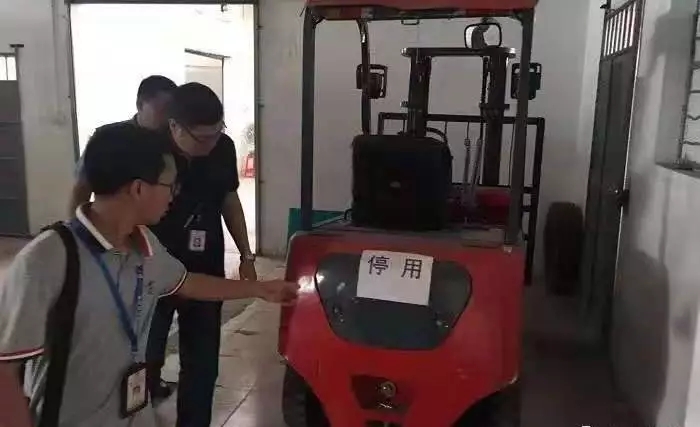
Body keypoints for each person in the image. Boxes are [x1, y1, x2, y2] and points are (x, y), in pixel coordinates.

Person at [0, 123, 298, 427]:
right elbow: (4, 373)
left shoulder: (144, 244)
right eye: (170, 185)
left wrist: (259, 289)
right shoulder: (46, 260)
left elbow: (187, 283)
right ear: (139, 189)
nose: (174, 195)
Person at [69, 75, 177, 213]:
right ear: (140, 105)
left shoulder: (174, 140)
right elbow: (82, 187)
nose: (167, 117)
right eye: (162, 110)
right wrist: (75, 224)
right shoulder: (108, 139)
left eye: (171, 111)